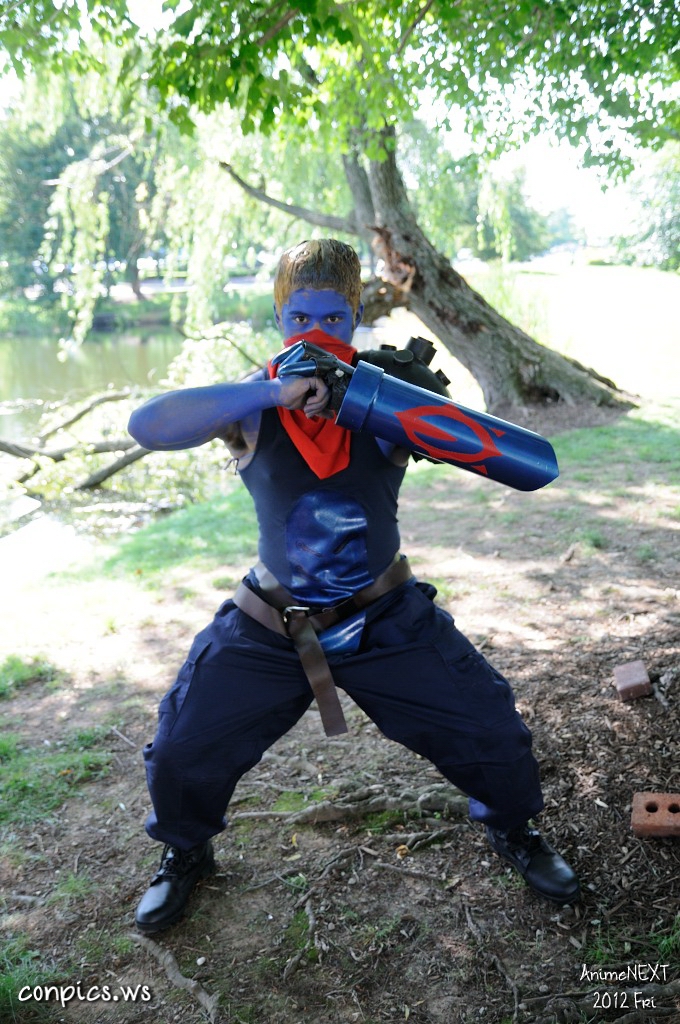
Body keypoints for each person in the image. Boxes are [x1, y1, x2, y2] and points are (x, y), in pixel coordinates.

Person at [128, 239, 579, 934]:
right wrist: (273, 391)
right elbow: (147, 426)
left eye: (333, 319)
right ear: (279, 317)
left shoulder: (385, 397)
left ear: (356, 316)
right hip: (271, 622)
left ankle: (513, 828)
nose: (315, 333)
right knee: (183, 748)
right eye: (300, 318)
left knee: (491, 730)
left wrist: (388, 402)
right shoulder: (248, 404)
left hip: (385, 616)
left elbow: (526, 462)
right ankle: (186, 851)